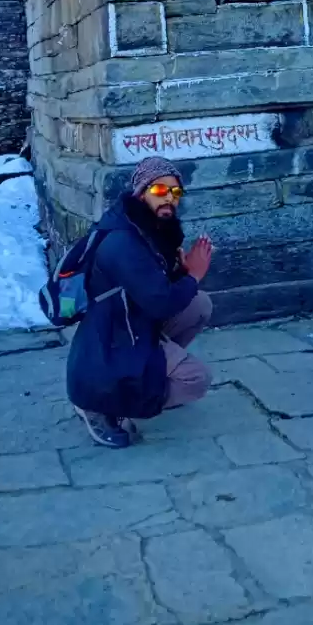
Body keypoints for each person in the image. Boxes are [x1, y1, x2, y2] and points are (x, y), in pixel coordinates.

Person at [67, 155, 214, 448]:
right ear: (141, 192)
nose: (169, 198)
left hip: (132, 322)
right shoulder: (123, 241)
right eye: (160, 190)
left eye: (175, 192)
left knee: (198, 305)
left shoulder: (146, 230)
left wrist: (182, 273)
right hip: (114, 337)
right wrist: (193, 276)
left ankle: (148, 372)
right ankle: (101, 406)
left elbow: (154, 287)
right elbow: (160, 302)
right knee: (195, 379)